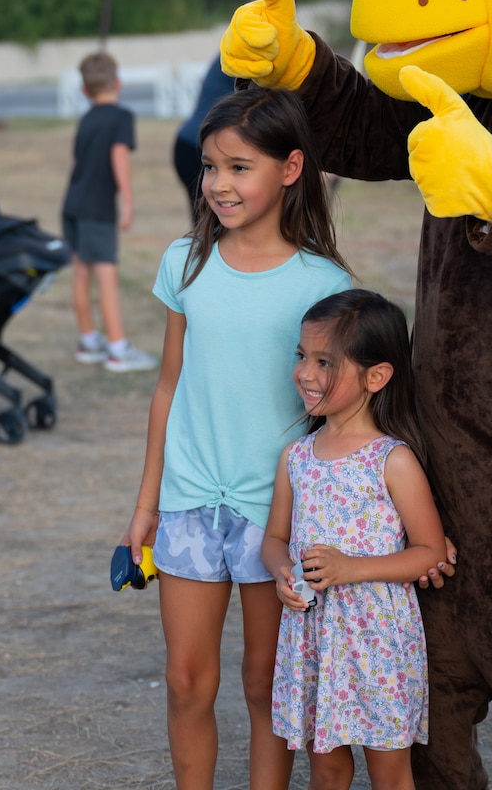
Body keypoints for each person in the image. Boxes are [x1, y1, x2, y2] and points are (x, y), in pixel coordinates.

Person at [121, 84, 353, 790]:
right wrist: (146, 503)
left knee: (263, 685)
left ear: (289, 169)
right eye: (209, 167)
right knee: (185, 680)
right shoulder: (184, 262)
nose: (218, 184)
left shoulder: (323, 283)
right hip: (190, 504)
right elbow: (168, 385)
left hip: (275, 518)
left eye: (238, 167)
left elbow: (334, 415)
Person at [262, 288, 448, 790]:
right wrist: (283, 572)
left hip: (377, 642)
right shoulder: (296, 457)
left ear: (377, 376)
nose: (304, 372)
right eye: (302, 356)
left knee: (389, 769)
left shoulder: (393, 459)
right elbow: (275, 539)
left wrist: (354, 568)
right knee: (326, 766)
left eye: (325, 362)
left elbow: (429, 553)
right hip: (314, 635)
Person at [61, 50, 158, 372]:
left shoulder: (86, 118)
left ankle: (89, 341)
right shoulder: (121, 116)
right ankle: (118, 350)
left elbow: (77, 164)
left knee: (81, 272)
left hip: (72, 205)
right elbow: (119, 157)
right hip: (97, 208)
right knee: (106, 278)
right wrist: (127, 201)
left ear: (84, 92)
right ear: (118, 83)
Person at [173, 55, 235, 220]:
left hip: (188, 141)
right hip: (203, 147)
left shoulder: (230, 51)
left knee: (207, 225)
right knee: (213, 225)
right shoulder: (243, 54)